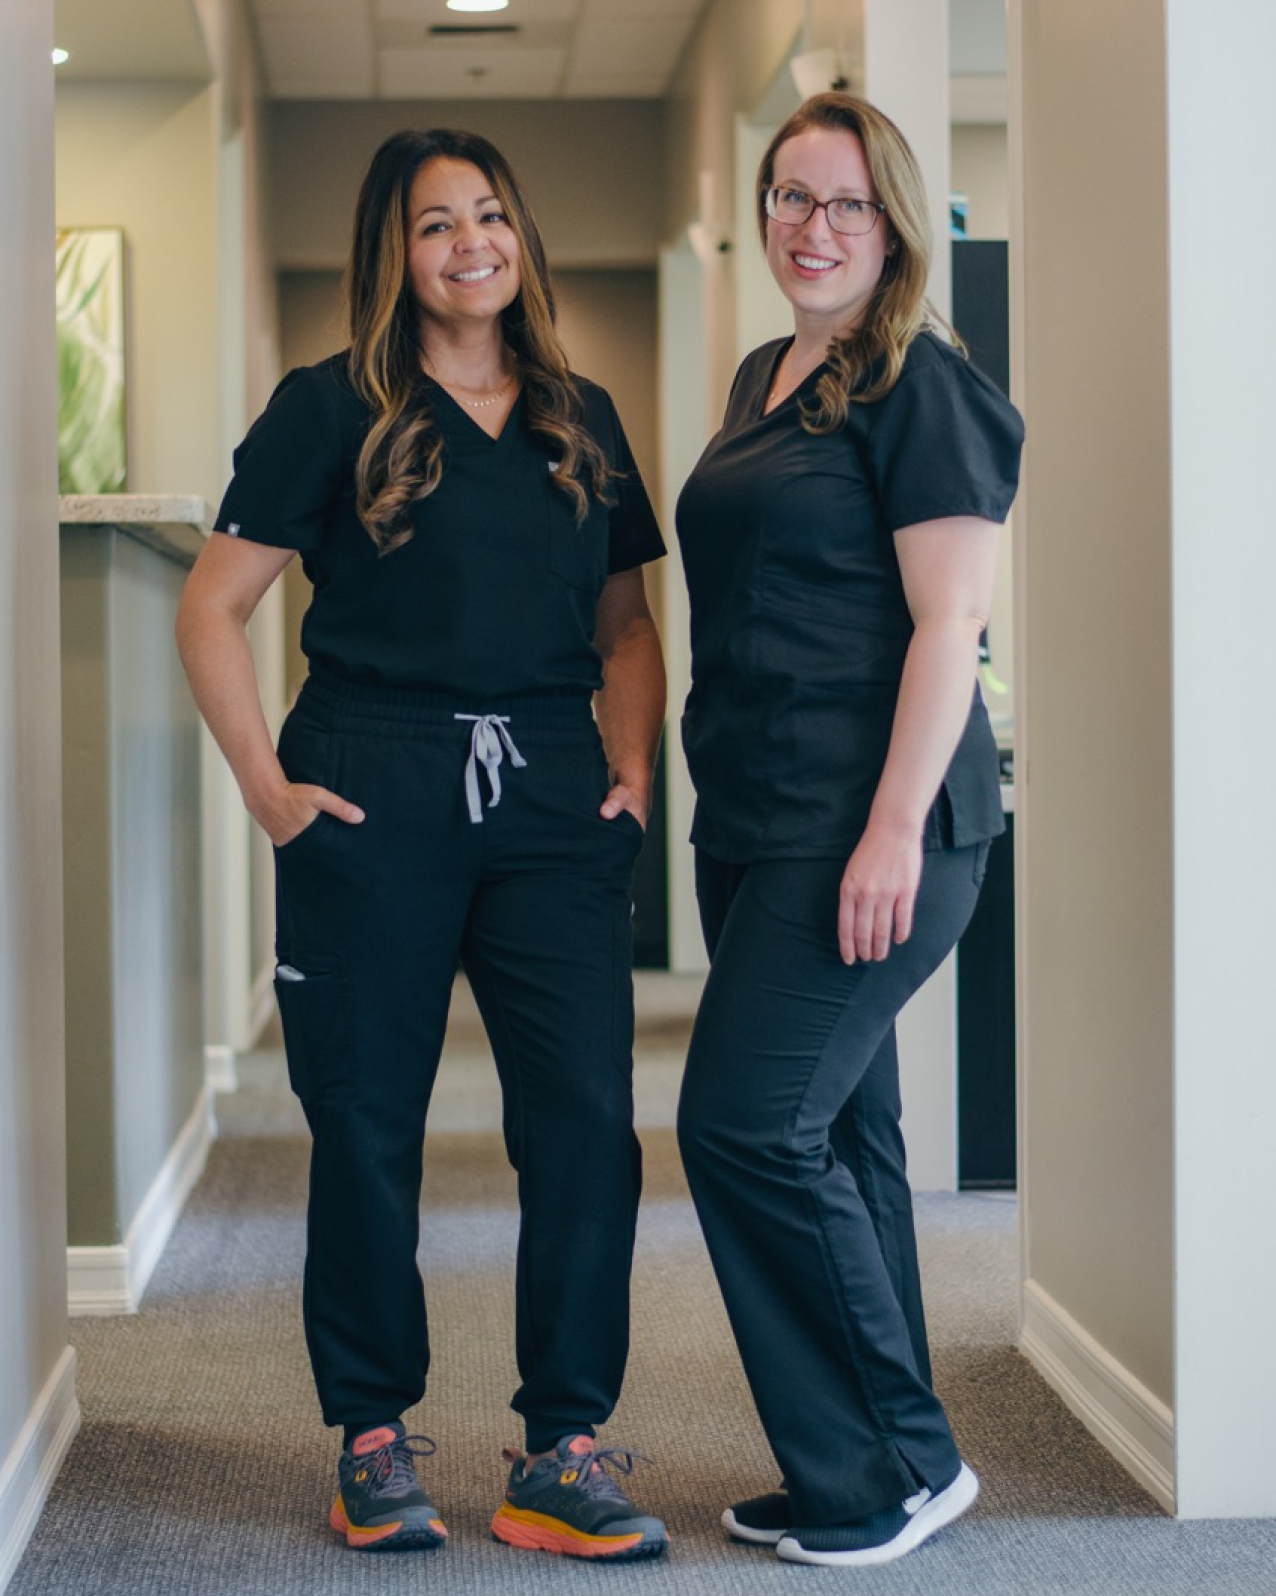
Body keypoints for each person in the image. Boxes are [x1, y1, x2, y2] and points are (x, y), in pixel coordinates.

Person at [176, 127, 669, 1563]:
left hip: (551, 793)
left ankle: (561, 1447)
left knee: (583, 1120)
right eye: (437, 222)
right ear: (393, 253)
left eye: (490, 214)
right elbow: (213, 608)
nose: (471, 244)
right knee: (367, 1120)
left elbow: (627, 624)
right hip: (371, 779)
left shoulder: (581, 416)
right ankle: (372, 1438)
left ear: (522, 236)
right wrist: (268, 788)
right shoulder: (328, 407)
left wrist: (634, 768)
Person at [674, 92, 1024, 1569]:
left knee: (742, 1126)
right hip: (757, 819)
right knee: (844, 1137)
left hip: (869, 826)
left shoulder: (919, 383)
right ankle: (852, 1464)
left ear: (892, 224)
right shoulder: (766, 374)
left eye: (846, 203)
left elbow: (951, 624)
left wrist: (889, 830)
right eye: (789, 197)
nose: (812, 228)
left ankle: (904, 1461)